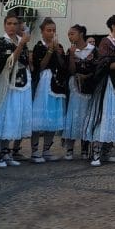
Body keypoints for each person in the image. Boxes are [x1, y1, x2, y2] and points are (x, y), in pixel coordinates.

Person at [0, 15, 32, 168]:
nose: (12, 26)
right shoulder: (3, 41)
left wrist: (23, 43)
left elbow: (25, 60)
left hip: (19, 82)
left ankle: (6, 151)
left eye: (15, 24)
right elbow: (9, 61)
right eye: (9, 23)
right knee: (2, 116)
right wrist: (21, 44)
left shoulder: (20, 40)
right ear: (5, 25)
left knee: (12, 117)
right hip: (4, 84)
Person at [87, 15, 115, 166]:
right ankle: (96, 153)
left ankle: (106, 151)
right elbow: (104, 64)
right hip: (108, 84)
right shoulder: (106, 42)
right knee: (105, 117)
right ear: (113, 26)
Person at [29, 18, 67, 163]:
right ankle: (34, 151)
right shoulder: (39, 47)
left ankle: (46, 150)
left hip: (57, 82)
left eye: (53, 30)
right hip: (44, 82)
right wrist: (50, 50)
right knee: (39, 117)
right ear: (42, 31)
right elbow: (41, 66)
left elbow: (63, 65)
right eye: (48, 30)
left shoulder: (59, 46)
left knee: (53, 118)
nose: (51, 33)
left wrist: (58, 52)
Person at [63, 24, 96, 160]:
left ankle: (85, 148)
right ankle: (70, 148)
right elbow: (70, 70)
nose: (70, 36)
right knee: (74, 114)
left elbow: (96, 69)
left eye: (72, 33)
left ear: (81, 34)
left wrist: (86, 76)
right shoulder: (70, 51)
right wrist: (71, 55)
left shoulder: (93, 50)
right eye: (69, 34)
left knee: (87, 116)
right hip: (75, 86)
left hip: (89, 86)